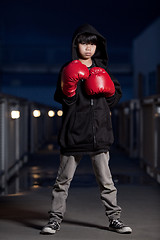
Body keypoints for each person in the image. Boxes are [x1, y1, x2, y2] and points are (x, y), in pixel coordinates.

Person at [41, 24, 132, 235]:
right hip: (74, 134)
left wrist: (108, 92)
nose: (88, 48)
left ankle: (114, 219)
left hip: (99, 133)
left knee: (107, 182)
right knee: (62, 182)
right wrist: (70, 90)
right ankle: (54, 220)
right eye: (84, 43)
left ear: (97, 46)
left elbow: (114, 99)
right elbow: (62, 99)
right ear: (76, 45)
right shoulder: (68, 68)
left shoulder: (103, 69)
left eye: (92, 43)